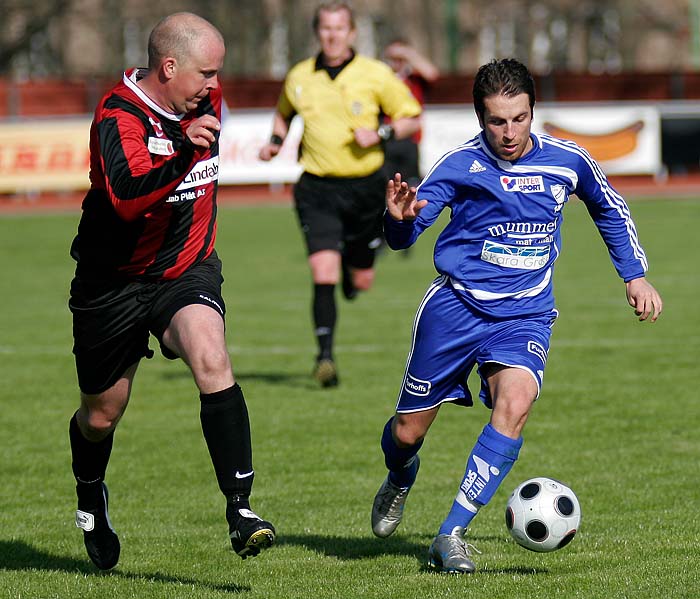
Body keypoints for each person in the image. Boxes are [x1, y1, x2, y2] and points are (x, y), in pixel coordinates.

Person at [370, 58, 663, 574]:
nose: (509, 133)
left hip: (525, 315)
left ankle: (450, 533)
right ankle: (400, 475)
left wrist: (634, 274)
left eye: (519, 118)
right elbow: (407, 234)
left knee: (517, 401)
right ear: (480, 118)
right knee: (407, 434)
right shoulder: (460, 165)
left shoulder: (566, 160)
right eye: (497, 121)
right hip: (455, 309)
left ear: (533, 111)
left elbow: (610, 208)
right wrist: (397, 220)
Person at [68, 12, 275, 571]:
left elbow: (198, 130)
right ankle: (91, 492)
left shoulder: (201, 98)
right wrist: (183, 153)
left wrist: (190, 140)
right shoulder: (118, 116)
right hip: (111, 282)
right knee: (102, 414)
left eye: (217, 74)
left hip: (186, 269)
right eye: (206, 73)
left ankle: (241, 511)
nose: (215, 85)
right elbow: (127, 199)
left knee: (212, 356)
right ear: (169, 67)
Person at [258, 2, 422, 388]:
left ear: (351, 33)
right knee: (322, 271)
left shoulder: (375, 74)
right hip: (317, 189)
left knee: (359, 281)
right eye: (326, 29)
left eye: (339, 28)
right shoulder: (299, 76)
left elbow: (411, 116)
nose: (332, 35)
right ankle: (325, 358)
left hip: (365, 189)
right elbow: (283, 113)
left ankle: (356, 269)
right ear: (318, 32)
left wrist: (380, 134)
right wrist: (275, 142)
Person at [381, 39, 439, 189]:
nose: (397, 62)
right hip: (388, 137)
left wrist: (408, 53)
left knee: (411, 184)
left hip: (411, 139)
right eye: (393, 59)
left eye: (400, 59)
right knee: (388, 184)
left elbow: (432, 74)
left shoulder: (413, 79)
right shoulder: (383, 79)